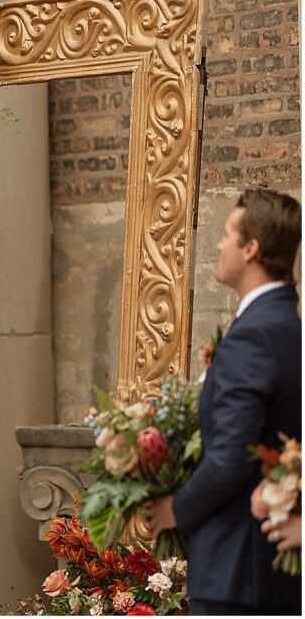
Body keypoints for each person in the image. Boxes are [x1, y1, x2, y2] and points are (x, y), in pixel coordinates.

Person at [148, 188, 301, 615]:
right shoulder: (290, 326)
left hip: (237, 571)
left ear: (251, 249)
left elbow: (231, 456)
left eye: (227, 234)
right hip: (274, 574)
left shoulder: (254, 335)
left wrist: (174, 509)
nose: (218, 244)